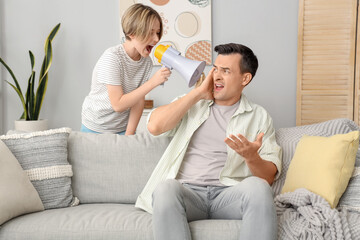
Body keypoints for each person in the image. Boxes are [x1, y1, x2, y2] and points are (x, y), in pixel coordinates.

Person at [135, 43, 282, 240]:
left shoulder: (259, 116)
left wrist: (251, 157)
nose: (217, 76)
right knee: (165, 188)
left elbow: (268, 177)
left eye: (226, 71)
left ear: (245, 78)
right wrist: (197, 94)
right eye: (215, 68)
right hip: (189, 194)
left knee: (259, 188)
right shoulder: (192, 103)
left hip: (228, 195)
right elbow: (154, 126)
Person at [81, 3, 171, 135]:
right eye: (151, 32)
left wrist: (129, 135)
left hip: (121, 127)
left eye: (157, 33)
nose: (156, 39)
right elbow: (117, 104)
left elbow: (139, 99)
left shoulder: (146, 62)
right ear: (132, 33)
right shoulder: (112, 58)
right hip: (95, 127)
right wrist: (153, 82)